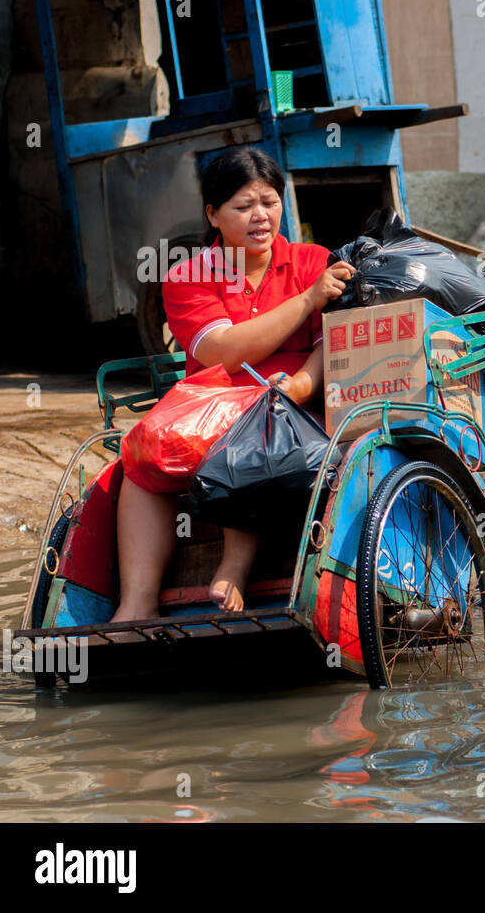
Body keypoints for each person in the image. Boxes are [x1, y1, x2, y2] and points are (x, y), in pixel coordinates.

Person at [112, 146, 353, 622]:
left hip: (302, 407)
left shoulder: (313, 260)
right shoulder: (188, 274)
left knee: (253, 429)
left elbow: (337, 340)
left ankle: (235, 567)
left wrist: (303, 383)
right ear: (213, 215)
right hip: (215, 405)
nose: (261, 217)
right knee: (141, 450)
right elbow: (222, 351)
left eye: (270, 202)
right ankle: (136, 600)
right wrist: (307, 301)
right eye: (243, 207)